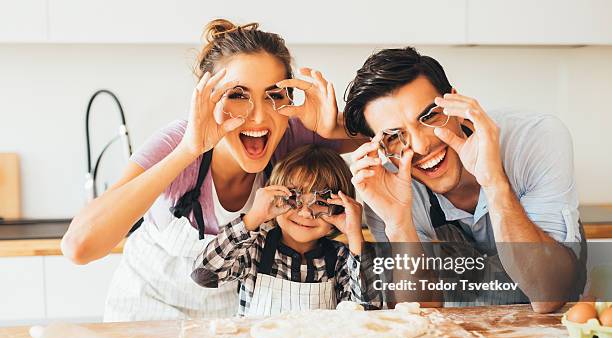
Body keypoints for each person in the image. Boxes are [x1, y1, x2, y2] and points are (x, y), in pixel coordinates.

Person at [61, 19, 362, 321]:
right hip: (146, 311)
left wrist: (333, 128)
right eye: (237, 95)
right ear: (207, 98)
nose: (258, 116)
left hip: (229, 322)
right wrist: (188, 150)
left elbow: (397, 132)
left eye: (274, 95)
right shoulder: (177, 143)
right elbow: (79, 247)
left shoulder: (290, 132)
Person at [343, 46, 586, 313]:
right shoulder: (385, 186)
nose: (422, 146)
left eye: (429, 116)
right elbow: (418, 312)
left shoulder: (534, 140)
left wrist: (494, 182)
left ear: (455, 104)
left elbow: (548, 294)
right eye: (393, 136)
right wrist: (399, 225)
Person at [191, 145, 380, 316]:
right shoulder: (253, 248)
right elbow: (204, 275)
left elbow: (368, 311)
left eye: (321, 202)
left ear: (339, 209)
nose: (305, 213)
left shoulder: (341, 258)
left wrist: (355, 236)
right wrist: (253, 218)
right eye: (293, 197)